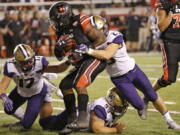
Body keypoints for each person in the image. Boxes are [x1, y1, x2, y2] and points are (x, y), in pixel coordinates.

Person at [75, 15, 180, 129]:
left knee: (152, 95)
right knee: (139, 105)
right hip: (119, 79)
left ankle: (169, 120)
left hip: (133, 70)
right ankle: (142, 104)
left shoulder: (114, 36)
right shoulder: (91, 45)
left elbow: (107, 54)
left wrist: (88, 51)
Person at [48, 1, 107, 129]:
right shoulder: (60, 32)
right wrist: (59, 49)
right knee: (64, 85)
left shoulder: (81, 20)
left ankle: (82, 120)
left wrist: (86, 48)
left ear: (63, 18)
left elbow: (101, 39)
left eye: (55, 20)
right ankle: (72, 118)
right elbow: (61, 56)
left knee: (79, 83)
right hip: (82, 62)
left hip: (95, 58)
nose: (54, 24)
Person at [0, 44, 69, 130]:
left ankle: (44, 81)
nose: (29, 63)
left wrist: (68, 61)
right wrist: (4, 97)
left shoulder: (40, 62)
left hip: (37, 92)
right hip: (21, 90)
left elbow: (58, 68)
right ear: (17, 61)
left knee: (26, 125)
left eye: (30, 60)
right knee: (8, 110)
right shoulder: (11, 65)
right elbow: (3, 85)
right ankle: (43, 78)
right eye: (25, 62)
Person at [39, 87, 128, 134]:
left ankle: (69, 101)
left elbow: (103, 122)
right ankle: (46, 94)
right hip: (70, 119)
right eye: (119, 106)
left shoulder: (108, 106)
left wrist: (111, 126)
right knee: (44, 123)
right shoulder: (101, 107)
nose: (121, 108)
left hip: (82, 115)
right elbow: (97, 129)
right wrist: (115, 130)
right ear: (112, 101)